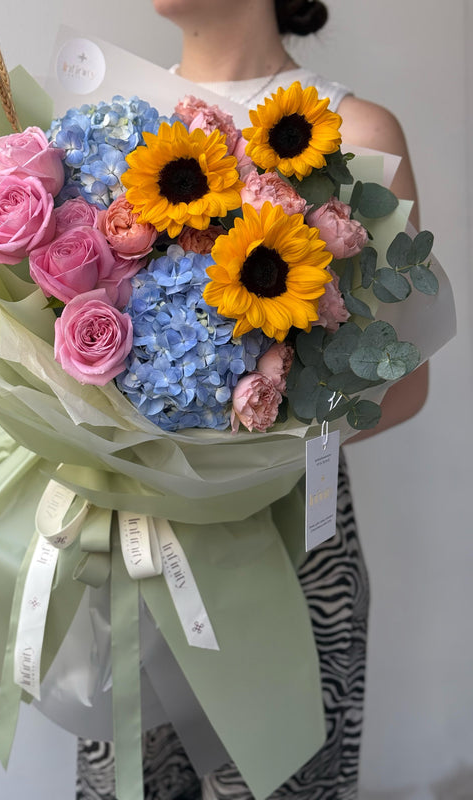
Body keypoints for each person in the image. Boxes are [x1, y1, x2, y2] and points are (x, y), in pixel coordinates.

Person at [76, 1, 428, 797]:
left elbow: (404, 383)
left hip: (293, 543)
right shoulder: (114, 127)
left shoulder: (357, 129)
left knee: (282, 778)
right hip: (141, 544)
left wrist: (239, 444)